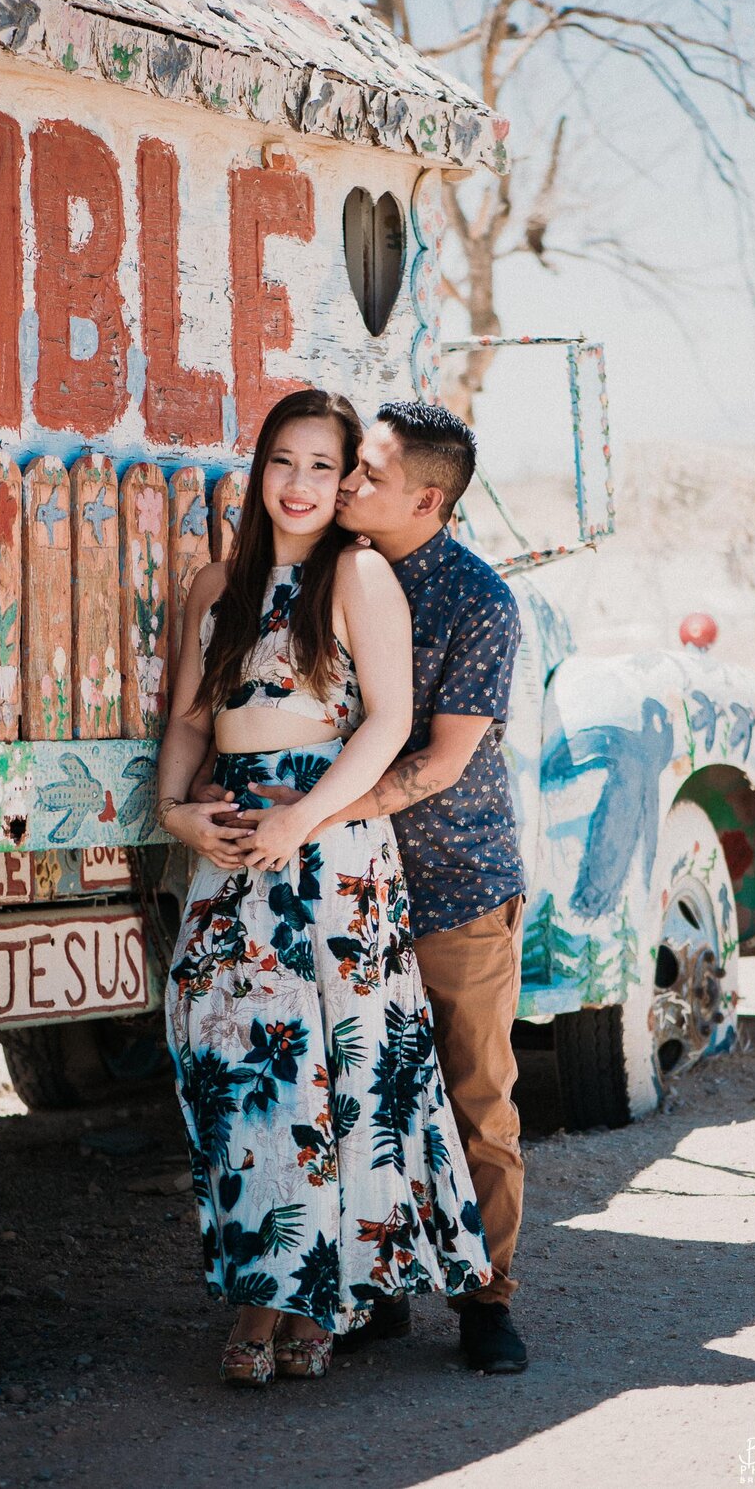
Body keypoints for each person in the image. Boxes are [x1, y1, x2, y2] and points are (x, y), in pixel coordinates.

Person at [155, 389, 491, 1388]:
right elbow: (186, 717)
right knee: (233, 1067)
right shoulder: (216, 583)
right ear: (257, 473)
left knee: (330, 1079)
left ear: (343, 480)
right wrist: (176, 809)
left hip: (332, 849)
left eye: (322, 465)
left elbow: (388, 723)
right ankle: (272, 1284)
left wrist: (304, 817)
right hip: (229, 843)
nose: (301, 485)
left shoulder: (358, 574)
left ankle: (303, 1306)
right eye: (282, 462)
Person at [238, 402, 528, 1375]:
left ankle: (487, 1299)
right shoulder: (324, 572)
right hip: (343, 884)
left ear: (427, 497)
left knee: (471, 1091)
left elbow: (441, 760)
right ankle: (378, 1281)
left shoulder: (478, 601)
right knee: (361, 1088)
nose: (347, 484)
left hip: (450, 880)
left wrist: (306, 817)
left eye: (367, 471)